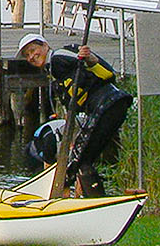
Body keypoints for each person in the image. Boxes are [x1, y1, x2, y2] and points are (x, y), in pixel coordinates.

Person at [17, 33, 133, 198]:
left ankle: (93, 205)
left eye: (33, 50)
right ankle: (90, 201)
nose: (31, 57)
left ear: (44, 46)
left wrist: (89, 57)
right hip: (107, 107)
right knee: (83, 159)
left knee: (80, 160)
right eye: (27, 55)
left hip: (108, 104)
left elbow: (104, 70)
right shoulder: (53, 71)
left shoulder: (58, 56)